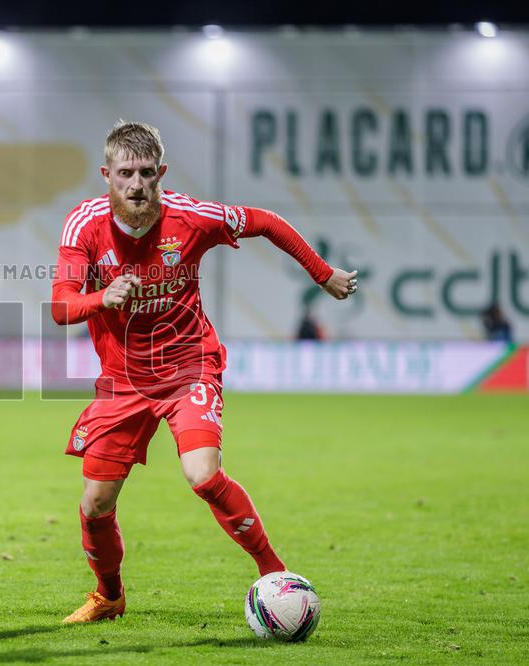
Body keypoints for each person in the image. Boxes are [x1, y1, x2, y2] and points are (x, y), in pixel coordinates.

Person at [51, 121, 357, 623]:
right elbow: (60, 307)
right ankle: (109, 596)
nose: (136, 184)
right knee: (95, 503)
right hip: (124, 380)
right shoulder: (83, 226)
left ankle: (276, 576)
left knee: (202, 474)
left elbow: (264, 221)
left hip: (189, 365)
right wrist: (100, 296)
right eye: (125, 173)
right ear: (106, 174)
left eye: (147, 173)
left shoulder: (191, 217)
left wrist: (322, 275)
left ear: (161, 173)